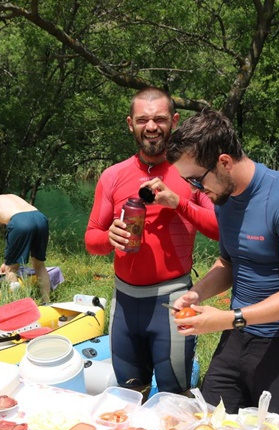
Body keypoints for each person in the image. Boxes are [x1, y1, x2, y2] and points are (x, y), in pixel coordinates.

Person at [167, 109, 279, 424]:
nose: (196, 190)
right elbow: (229, 262)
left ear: (224, 162)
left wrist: (229, 318)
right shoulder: (224, 199)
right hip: (236, 337)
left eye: (197, 178)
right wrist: (197, 293)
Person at [84, 87, 219, 395]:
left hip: (172, 301)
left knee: (176, 398)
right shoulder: (113, 176)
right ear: (130, 123)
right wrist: (108, 238)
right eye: (143, 119)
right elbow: (91, 240)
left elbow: (221, 230)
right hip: (125, 303)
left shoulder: (191, 173)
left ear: (174, 121)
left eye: (159, 118)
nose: (152, 126)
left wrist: (180, 204)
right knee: (131, 394)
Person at [0, 194, 51, 303]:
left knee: (11, 269)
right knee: (39, 265)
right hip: (40, 218)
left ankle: (20, 304)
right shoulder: (6, 199)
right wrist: (7, 261)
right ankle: (46, 302)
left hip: (20, 221)